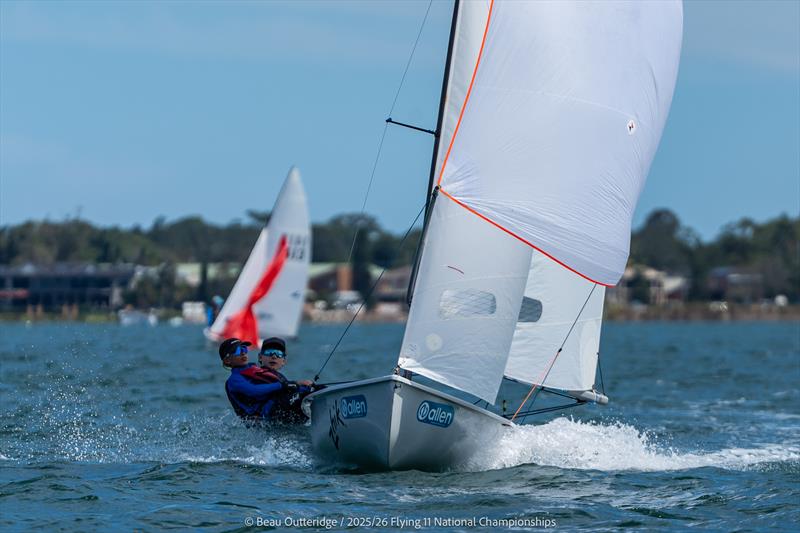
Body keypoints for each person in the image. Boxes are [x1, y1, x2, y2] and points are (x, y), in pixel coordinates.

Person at [220, 337, 304, 422]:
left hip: (274, 407)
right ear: (227, 360)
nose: (243, 353)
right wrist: (283, 385)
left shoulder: (253, 369)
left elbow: (285, 388)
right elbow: (254, 390)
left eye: (244, 349)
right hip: (263, 415)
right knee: (300, 396)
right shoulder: (234, 380)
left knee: (306, 391)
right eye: (238, 351)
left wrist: (303, 386)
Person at [255, 337, 316, 423]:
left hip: (278, 414)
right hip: (268, 415)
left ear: (284, 360)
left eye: (278, 353)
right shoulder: (259, 374)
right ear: (260, 357)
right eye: (269, 352)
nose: (274, 356)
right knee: (304, 393)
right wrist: (299, 385)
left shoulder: (279, 376)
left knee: (308, 391)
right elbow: (281, 387)